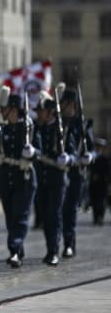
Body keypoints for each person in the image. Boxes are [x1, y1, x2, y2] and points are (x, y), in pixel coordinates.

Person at [0, 86, 40, 268]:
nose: (1, 112)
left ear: (13, 108)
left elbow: (40, 149)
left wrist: (33, 151)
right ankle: (17, 250)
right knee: (10, 217)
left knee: (20, 216)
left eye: (3, 108)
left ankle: (14, 250)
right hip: (6, 176)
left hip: (24, 177)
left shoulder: (28, 128)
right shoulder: (3, 130)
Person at [32, 89, 76, 266]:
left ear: (49, 112)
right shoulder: (37, 129)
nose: (39, 114)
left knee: (54, 215)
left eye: (41, 111)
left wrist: (68, 158)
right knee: (44, 215)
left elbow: (73, 154)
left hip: (57, 179)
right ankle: (50, 248)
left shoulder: (63, 130)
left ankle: (53, 251)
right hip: (41, 178)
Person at [57, 84, 95, 258]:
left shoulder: (82, 125)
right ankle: (55, 244)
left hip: (75, 173)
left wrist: (89, 156)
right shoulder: (57, 122)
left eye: (67, 103)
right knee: (56, 210)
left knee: (70, 210)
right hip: (58, 172)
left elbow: (92, 149)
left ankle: (69, 243)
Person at [89, 138, 109, 225]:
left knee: (101, 201)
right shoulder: (92, 157)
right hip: (93, 182)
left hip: (102, 183)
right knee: (93, 200)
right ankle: (95, 217)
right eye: (97, 146)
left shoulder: (105, 159)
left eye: (100, 147)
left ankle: (100, 217)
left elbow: (108, 172)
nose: (98, 148)